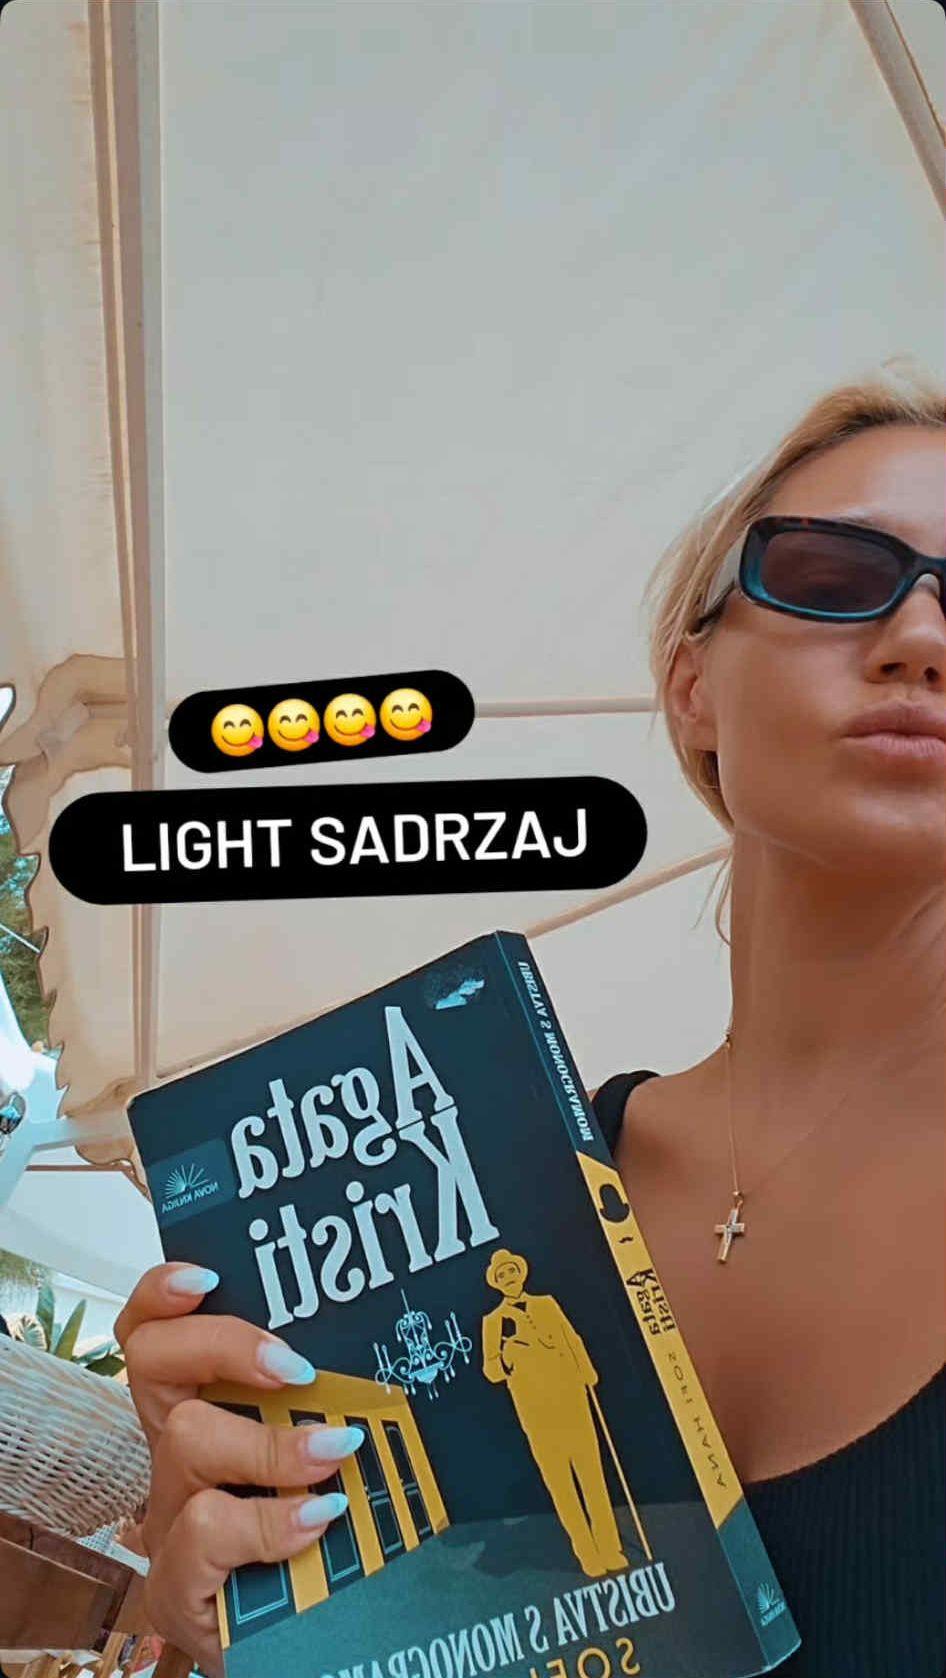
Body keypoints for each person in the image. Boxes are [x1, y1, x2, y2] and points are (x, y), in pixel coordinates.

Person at [116, 370, 945, 1678]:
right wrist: (259, 1629)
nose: (919, 637)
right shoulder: (483, 1191)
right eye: (834, 573)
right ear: (691, 685)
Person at [481, 1248, 628, 1576]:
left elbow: (572, 1339)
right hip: (537, 1415)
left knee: (593, 1478)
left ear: (521, 1273)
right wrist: (506, 1352)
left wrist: (588, 1372)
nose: (508, 1278)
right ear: (496, 1283)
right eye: (502, 1275)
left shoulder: (546, 1303)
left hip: (573, 1400)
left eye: (511, 1271)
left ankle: (610, 1548)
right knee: (562, 1487)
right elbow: (491, 1372)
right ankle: (587, 1554)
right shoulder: (493, 1322)